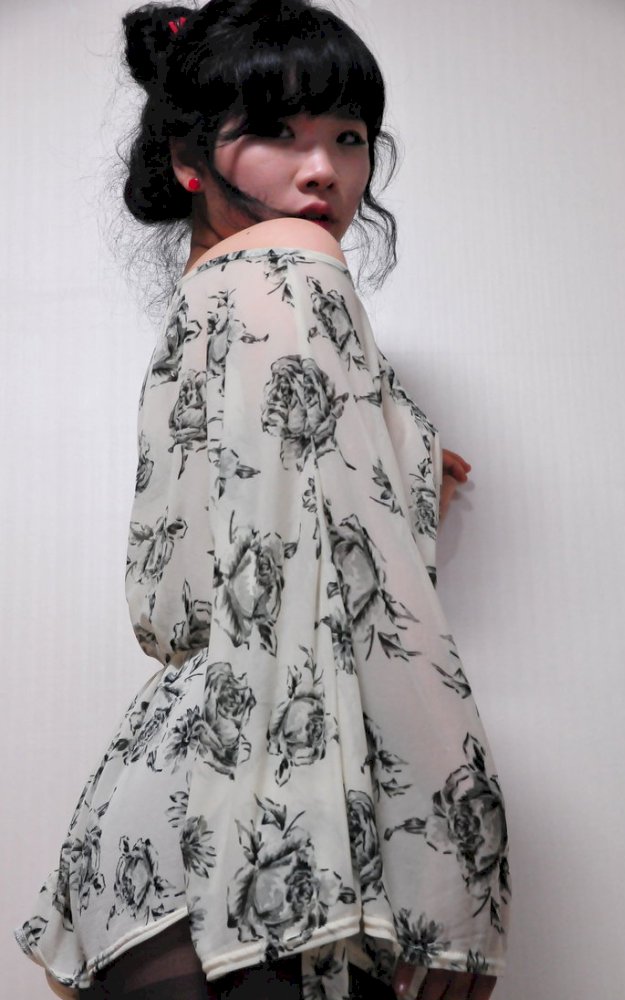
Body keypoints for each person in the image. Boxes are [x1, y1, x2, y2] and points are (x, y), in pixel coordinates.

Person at [14, 3, 510, 999]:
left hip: (150, 838)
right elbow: (375, 610)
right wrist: (461, 860)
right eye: (277, 132)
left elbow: (209, 582)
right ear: (190, 159)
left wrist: (402, 461)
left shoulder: (211, 298)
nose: (322, 170)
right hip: (276, 840)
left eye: (349, 137)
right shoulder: (296, 273)